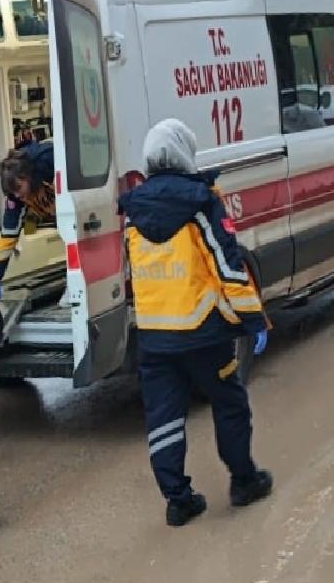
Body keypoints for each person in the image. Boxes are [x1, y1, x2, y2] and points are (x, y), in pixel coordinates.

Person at [117, 119, 273, 527]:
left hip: (154, 336)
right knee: (229, 402)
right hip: (204, 330)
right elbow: (227, 265)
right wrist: (253, 318)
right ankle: (243, 481)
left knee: (164, 417)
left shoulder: (133, 210)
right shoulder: (201, 201)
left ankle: (178, 501)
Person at [0, 139, 55, 297]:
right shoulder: (16, 196)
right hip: (51, 212)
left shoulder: (50, 160)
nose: (18, 195)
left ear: (27, 176)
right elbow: (7, 236)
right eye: (13, 193)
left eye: (18, 188)